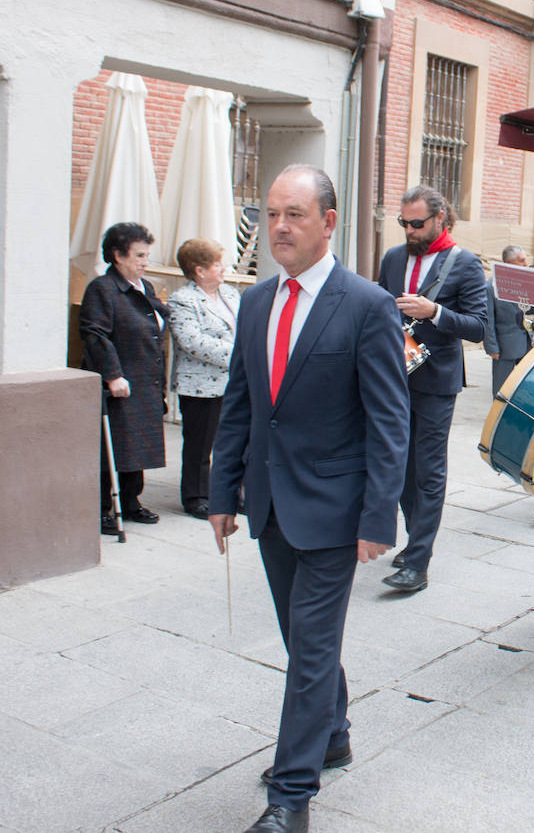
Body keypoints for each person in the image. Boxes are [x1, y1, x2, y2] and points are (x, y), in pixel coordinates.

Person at [207, 165, 409, 833]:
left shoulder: (366, 305)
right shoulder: (257, 303)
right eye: (271, 214)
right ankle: (334, 734)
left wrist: (380, 515)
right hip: (269, 503)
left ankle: (291, 796)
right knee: (303, 640)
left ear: (328, 221)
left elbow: (388, 422)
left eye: (295, 214)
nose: (280, 227)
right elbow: (240, 405)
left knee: (312, 649)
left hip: (333, 509)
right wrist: (221, 494)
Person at [376, 184, 487, 593]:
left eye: (417, 223)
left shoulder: (466, 264)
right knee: (399, 465)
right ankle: (414, 539)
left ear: (440, 218)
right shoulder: (392, 258)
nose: (409, 230)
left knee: (429, 468)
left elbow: (478, 325)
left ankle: (418, 561)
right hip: (394, 376)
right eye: (403, 222)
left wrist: (436, 312)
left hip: (437, 380)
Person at [79, 222, 169, 534]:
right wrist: (112, 374)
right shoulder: (103, 289)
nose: (145, 261)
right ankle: (104, 506)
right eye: (139, 255)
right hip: (122, 380)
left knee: (138, 444)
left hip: (145, 377)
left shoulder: (146, 287)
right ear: (117, 255)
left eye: (147, 255)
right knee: (114, 445)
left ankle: (130, 501)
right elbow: (94, 334)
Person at [168, 238, 241, 519]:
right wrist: (239, 354)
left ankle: (232, 493)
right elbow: (192, 341)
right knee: (200, 444)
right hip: (200, 385)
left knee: (234, 441)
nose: (223, 268)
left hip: (233, 381)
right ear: (199, 270)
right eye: (217, 264)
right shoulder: (182, 300)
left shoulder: (231, 295)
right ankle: (196, 496)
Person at [483, 245, 531, 395]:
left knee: (524, 390)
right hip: (503, 349)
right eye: (522, 261)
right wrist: (492, 347)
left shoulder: (529, 283)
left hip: (527, 346)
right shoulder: (491, 287)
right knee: (501, 391)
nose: (526, 264)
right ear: (510, 264)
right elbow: (488, 320)